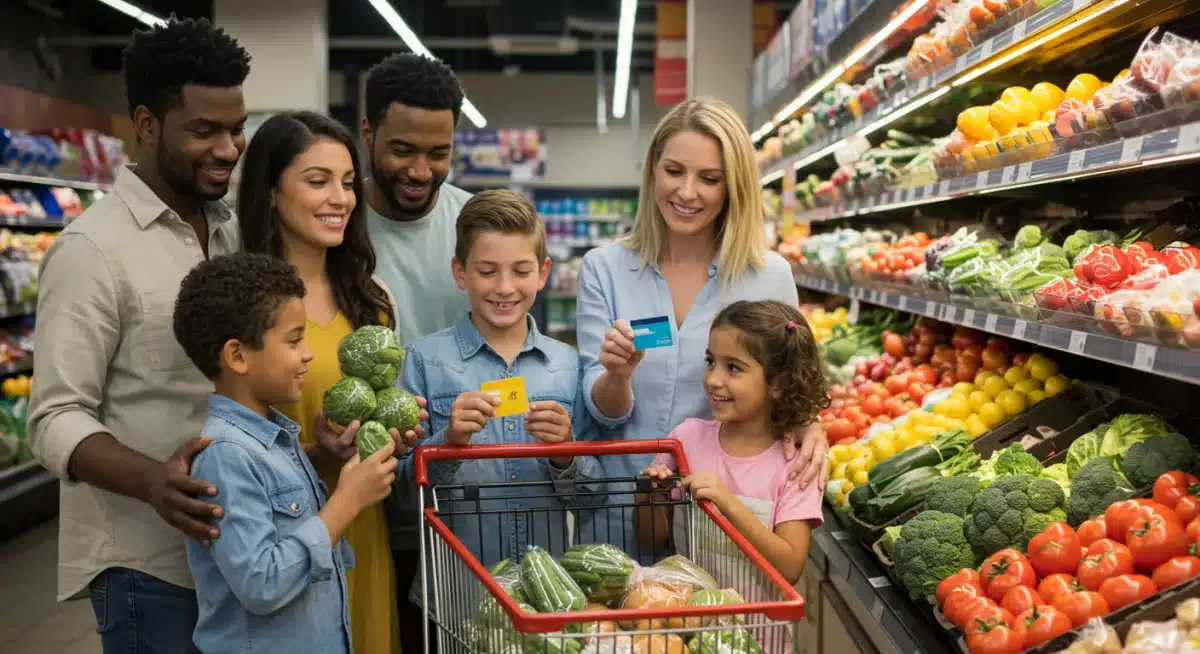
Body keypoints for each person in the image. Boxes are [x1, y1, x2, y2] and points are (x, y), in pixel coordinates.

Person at [27, 17, 254, 652]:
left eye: (236, 129)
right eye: (204, 131)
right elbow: (53, 417)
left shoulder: (233, 232)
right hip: (148, 568)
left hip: (240, 555)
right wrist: (155, 481)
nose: (228, 148)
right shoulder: (93, 250)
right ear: (148, 125)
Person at [574, 96, 828, 552]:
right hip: (618, 511)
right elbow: (603, 412)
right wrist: (617, 374)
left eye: (709, 179)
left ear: (733, 187)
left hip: (718, 527)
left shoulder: (769, 276)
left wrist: (810, 424)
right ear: (653, 169)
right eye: (674, 171)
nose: (687, 193)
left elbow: (789, 382)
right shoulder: (604, 269)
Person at [238, 110, 427, 654]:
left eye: (347, 183)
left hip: (361, 524)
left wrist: (399, 426)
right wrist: (316, 451)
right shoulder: (243, 302)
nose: (340, 198)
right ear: (271, 191)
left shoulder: (372, 298)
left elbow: (382, 410)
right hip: (278, 537)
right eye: (317, 181)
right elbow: (228, 442)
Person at [173, 252, 399, 654]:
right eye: (295, 340)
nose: (309, 354)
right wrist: (347, 501)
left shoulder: (277, 440)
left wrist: (330, 456)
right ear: (237, 356)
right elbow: (262, 583)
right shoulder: (225, 454)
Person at [399, 189, 592, 569]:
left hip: (546, 595)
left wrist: (565, 453)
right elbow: (401, 496)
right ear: (460, 272)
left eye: (521, 271)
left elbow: (590, 498)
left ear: (543, 274)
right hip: (455, 593)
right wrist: (447, 443)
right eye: (487, 271)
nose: (505, 287)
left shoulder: (569, 366)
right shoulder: (423, 362)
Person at [638, 300, 827, 654]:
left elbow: (790, 567)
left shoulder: (796, 463)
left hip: (760, 642)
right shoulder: (687, 438)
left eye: (734, 368)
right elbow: (651, 540)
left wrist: (727, 501)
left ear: (778, 383)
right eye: (711, 361)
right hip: (687, 638)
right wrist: (649, 493)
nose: (713, 379)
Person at [361, 52, 474, 347]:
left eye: (438, 154)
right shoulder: (335, 224)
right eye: (402, 151)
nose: (421, 172)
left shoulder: (477, 223)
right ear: (368, 134)